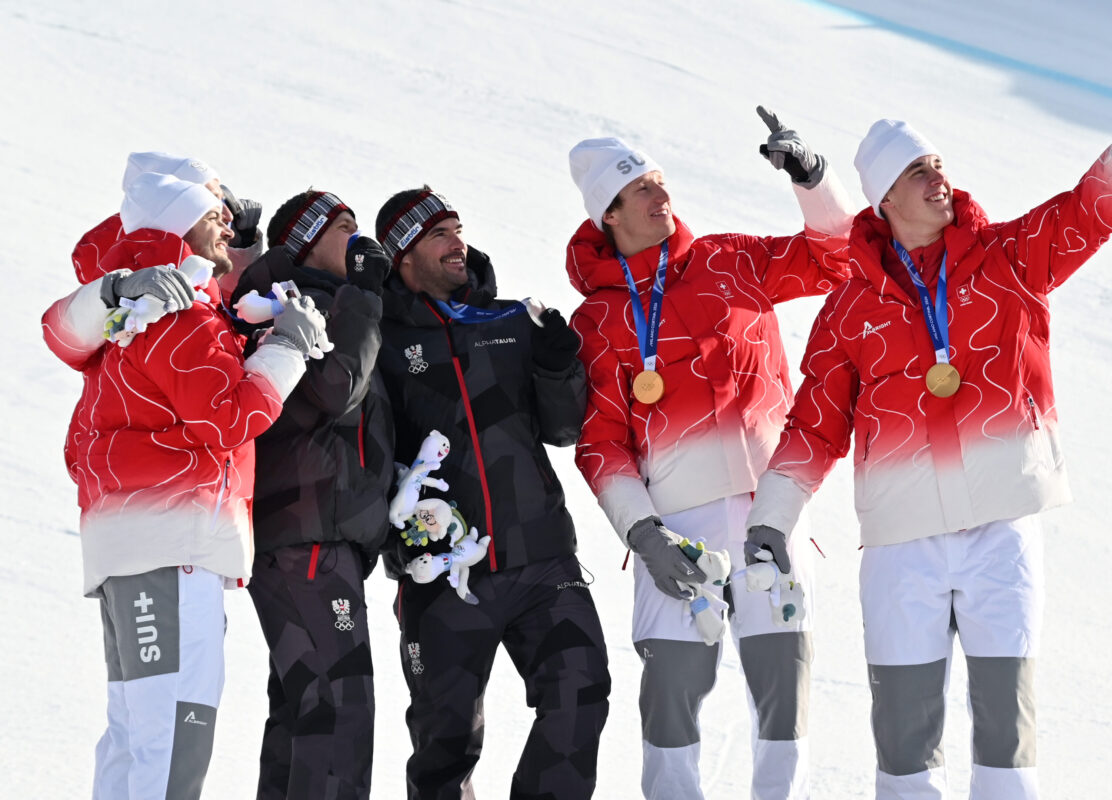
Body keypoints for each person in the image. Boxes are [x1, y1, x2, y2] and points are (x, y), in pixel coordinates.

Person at [744, 41, 1112, 800]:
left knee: (1005, 736)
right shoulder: (850, 309)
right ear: (884, 199)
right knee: (906, 744)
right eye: (919, 170)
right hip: (902, 549)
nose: (938, 176)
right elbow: (814, 427)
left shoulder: (1010, 258)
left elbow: (1092, 210)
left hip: (1000, 533)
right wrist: (771, 519)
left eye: (939, 162)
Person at [564, 109, 855, 800]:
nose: (662, 195)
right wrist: (644, 533)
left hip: (770, 513)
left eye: (662, 181)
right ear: (609, 213)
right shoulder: (598, 321)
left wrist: (813, 181)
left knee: (783, 692)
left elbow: (838, 258)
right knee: (671, 697)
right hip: (675, 531)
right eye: (641, 189)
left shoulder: (732, 260)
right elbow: (601, 444)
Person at [41, 172, 327, 799]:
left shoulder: (157, 305)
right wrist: (287, 349)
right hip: (171, 545)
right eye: (212, 214)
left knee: (136, 735)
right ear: (177, 227)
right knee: (175, 736)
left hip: (142, 546)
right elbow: (229, 419)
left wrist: (247, 330)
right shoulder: (181, 314)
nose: (228, 222)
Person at [371, 186, 611, 799]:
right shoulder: (382, 343)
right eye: (439, 235)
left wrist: (559, 366)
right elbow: (366, 456)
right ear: (403, 257)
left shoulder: (509, 321)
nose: (459, 243)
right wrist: (395, 544)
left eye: (459, 229)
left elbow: (561, 428)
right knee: (444, 740)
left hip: (540, 555)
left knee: (580, 691)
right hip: (446, 574)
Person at [230, 191, 395, 799]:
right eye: (343, 226)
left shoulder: (332, 303)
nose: (357, 237)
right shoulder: (282, 305)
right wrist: (365, 298)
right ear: (302, 241)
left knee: (304, 709)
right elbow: (334, 389)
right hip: (304, 531)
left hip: (321, 533)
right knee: (339, 701)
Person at [43, 151, 264, 488]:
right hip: (153, 479)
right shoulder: (132, 261)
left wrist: (244, 251)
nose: (229, 215)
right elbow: (61, 335)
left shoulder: (185, 273)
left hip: (196, 477)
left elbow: (223, 320)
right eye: (215, 200)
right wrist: (115, 290)